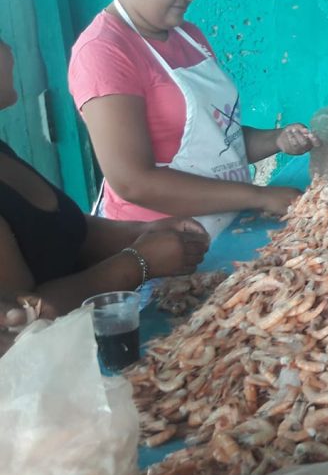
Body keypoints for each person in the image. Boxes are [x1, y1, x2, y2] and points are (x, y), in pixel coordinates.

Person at [68, 0, 320, 240]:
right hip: (164, 245)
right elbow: (133, 182)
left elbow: (218, 141)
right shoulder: (103, 52)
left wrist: (278, 139)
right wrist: (258, 196)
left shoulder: (188, 35)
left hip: (225, 226)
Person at [0, 36, 210, 356]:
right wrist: (138, 262)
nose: (10, 49)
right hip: (62, 373)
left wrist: (144, 232)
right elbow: (23, 322)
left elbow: (62, 232)